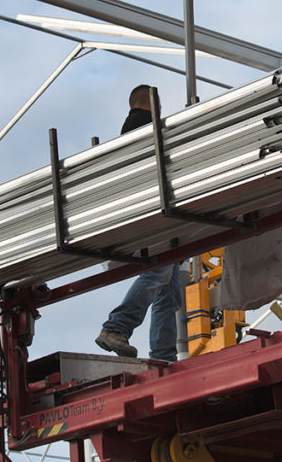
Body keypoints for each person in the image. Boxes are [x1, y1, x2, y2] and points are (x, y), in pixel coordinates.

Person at [95, 84, 184, 361]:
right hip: (152, 211)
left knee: (169, 290)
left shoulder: (131, 127)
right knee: (156, 271)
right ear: (153, 103)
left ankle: (163, 354)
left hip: (149, 209)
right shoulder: (144, 125)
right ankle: (116, 327)